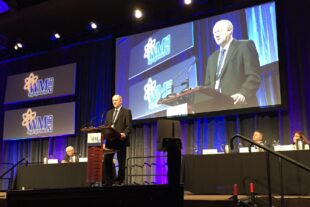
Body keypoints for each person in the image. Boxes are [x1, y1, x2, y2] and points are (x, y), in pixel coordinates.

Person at [204, 19, 261, 107]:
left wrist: (243, 94)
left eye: (219, 31)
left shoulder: (245, 46)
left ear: (230, 31)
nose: (216, 35)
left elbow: (254, 75)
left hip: (239, 104)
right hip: (216, 108)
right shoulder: (212, 58)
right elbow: (207, 85)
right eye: (214, 32)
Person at [103, 94, 132, 186]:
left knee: (121, 162)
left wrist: (124, 134)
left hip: (120, 140)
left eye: (116, 100)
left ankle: (120, 181)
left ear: (121, 101)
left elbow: (129, 126)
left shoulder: (126, 112)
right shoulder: (109, 112)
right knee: (107, 160)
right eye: (113, 100)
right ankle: (109, 181)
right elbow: (106, 126)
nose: (114, 102)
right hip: (110, 141)